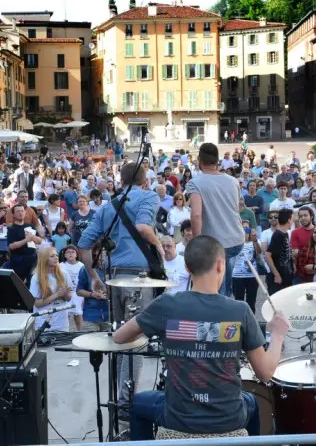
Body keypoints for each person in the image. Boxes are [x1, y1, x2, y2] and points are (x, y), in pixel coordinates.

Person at [113, 236, 290, 440]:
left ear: (187, 268)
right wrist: (277, 335)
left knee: (139, 404)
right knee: (250, 402)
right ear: (221, 265)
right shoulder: (240, 310)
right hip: (228, 418)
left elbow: (119, 337)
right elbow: (265, 373)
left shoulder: (166, 305)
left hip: (178, 419)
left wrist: (149, 324)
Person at [77, 160, 162, 420]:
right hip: (139, 277)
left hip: (113, 279)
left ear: (121, 181)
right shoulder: (148, 196)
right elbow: (144, 228)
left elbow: (83, 245)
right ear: (144, 180)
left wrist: (94, 277)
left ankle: (117, 398)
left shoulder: (107, 207)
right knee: (135, 340)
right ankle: (127, 404)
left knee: (118, 338)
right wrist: (158, 247)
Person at [186, 143, 244, 296]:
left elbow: (196, 215)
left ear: (199, 161)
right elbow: (237, 208)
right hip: (236, 239)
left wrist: (196, 243)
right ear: (218, 161)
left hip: (214, 244)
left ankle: (219, 315)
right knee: (225, 283)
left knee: (215, 289)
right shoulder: (233, 181)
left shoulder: (195, 183)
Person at [29, 247, 73, 331]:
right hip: (43, 322)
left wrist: (66, 294)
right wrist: (56, 295)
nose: (56, 257)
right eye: (52, 256)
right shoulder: (36, 277)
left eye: (56, 255)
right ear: (44, 259)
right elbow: (37, 303)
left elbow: (69, 298)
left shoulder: (64, 274)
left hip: (62, 322)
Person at [232, 222, 262, 312]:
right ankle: (239, 323)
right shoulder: (235, 242)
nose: (245, 230)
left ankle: (250, 323)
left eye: (247, 228)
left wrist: (255, 240)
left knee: (251, 302)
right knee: (238, 301)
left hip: (252, 276)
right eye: (243, 228)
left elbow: (259, 252)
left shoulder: (255, 241)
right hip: (237, 276)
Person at [7, 204, 43, 280]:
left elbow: (39, 241)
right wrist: (26, 240)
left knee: (32, 280)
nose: (20, 213)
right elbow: (11, 246)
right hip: (19, 260)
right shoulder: (12, 229)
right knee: (19, 282)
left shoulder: (30, 226)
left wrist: (33, 237)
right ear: (13, 214)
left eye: (22, 211)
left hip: (32, 258)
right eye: (18, 211)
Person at [265, 208, 294, 295]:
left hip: (286, 275)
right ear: (289, 220)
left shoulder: (285, 233)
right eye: (292, 218)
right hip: (278, 279)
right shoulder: (278, 235)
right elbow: (267, 255)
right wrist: (276, 275)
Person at [60, 245, 85, 331]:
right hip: (65, 293)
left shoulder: (81, 266)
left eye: (72, 252)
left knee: (78, 314)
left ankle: (80, 332)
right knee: (65, 314)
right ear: (64, 255)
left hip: (77, 293)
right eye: (68, 252)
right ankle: (65, 332)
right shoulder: (61, 266)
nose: (70, 254)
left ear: (76, 254)